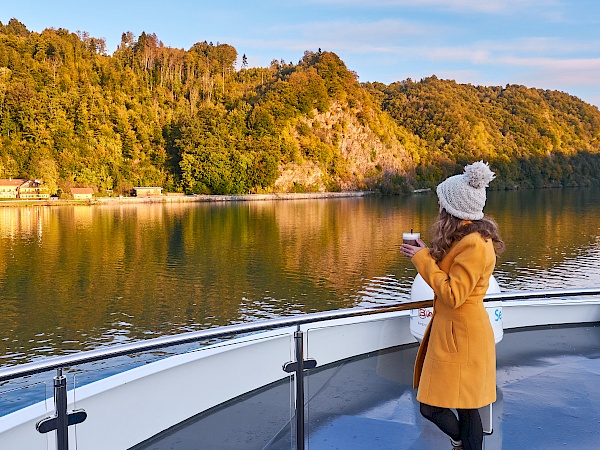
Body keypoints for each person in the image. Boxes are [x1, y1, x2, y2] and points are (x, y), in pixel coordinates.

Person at [400, 161, 505, 450]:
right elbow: (450, 277)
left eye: (442, 201)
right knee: (468, 408)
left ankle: (464, 442)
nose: (438, 205)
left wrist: (421, 259)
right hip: (456, 334)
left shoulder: (474, 244)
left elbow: (453, 294)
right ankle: (466, 444)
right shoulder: (465, 237)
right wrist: (425, 252)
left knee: (433, 407)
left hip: (463, 337)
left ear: (454, 208)